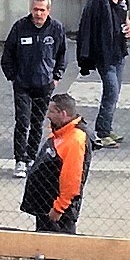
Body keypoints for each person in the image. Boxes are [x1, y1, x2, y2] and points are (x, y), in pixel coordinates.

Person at [0, 0, 66, 178]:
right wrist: (13, 76)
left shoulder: (56, 28)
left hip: (44, 85)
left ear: (48, 11)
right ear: (31, 9)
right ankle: (20, 160)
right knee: (22, 122)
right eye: (35, 9)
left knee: (37, 123)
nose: (38, 13)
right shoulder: (20, 27)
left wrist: (56, 77)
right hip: (22, 84)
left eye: (42, 10)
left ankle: (31, 158)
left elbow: (62, 55)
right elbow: (7, 55)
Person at [75, 0, 130, 148]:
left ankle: (107, 128)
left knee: (114, 93)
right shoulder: (97, 1)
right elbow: (86, 28)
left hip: (119, 53)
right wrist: (86, 55)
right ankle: (102, 132)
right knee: (111, 91)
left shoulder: (123, 1)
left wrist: (129, 30)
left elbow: (127, 22)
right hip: (104, 55)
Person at [20, 93, 92, 234]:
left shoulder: (75, 139)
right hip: (46, 205)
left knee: (60, 247)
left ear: (63, 114)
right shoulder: (61, 133)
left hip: (58, 212)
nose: (47, 115)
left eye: (52, 111)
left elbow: (72, 179)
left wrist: (59, 208)